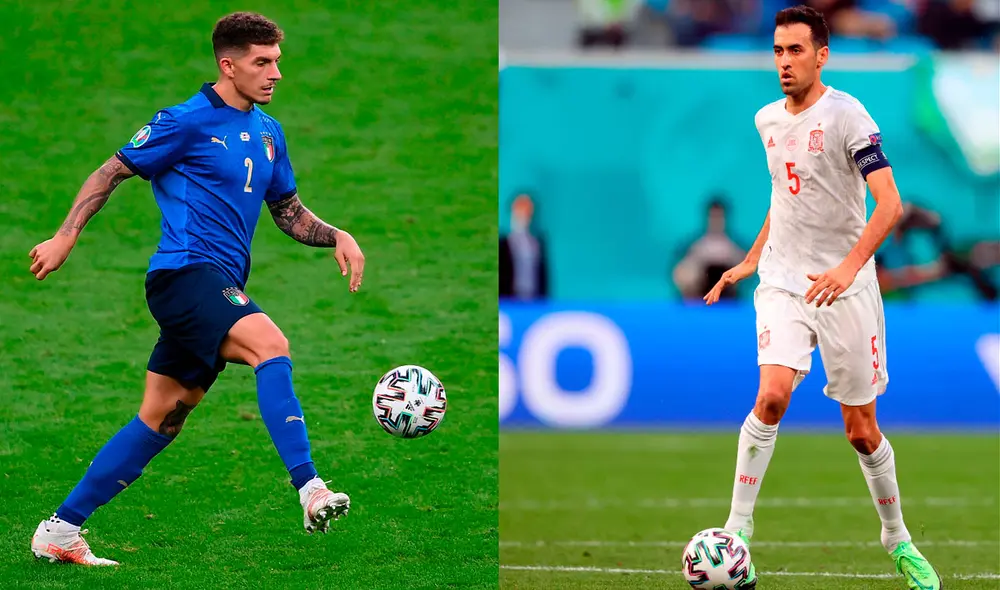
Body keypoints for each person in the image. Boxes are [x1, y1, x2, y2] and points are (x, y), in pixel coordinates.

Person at [27, 12, 365, 566]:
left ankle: (60, 531)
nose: (275, 72)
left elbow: (287, 212)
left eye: (277, 60)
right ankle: (311, 489)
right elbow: (109, 172)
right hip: (184, 277)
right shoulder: (184, 121)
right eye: (262, 62)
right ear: (227, 66)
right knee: (270, 346)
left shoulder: (268, 131)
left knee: (163, 416)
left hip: (217, 283)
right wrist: (65, 237)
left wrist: (336, 235)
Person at [703, 6, 941, 589]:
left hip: (846, 288)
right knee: (772, 396)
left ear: (822, 54)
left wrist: (847, 268)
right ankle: (737, 531)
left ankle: (897, 539)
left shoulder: (847, 116)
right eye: (778, 51)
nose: (784, 62)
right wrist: (753, 259)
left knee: (861, 430)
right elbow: (784, 198)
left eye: (796, 51)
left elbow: (889, 202)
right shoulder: (766, 120)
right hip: (783, 281)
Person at [672, 198, 745, 301]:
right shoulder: (696, 247)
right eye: (713, 217)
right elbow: (680, 274)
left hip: (728, 300)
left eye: (719, 217)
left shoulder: (734, 249)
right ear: (707, 218)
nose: (716, 220)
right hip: (701, 298)